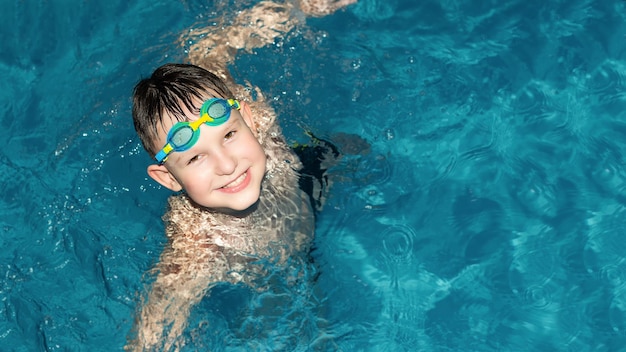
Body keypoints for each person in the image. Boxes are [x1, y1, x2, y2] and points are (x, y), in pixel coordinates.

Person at [125, 0, 357, 350]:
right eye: (195, 158)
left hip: (303, 176)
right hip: (272, 269)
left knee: (352, 148)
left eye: (230, 135)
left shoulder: (260, 122)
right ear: (169, 179)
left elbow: (211, 45)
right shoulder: (199, 246)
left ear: (248, 121)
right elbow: (153, 330)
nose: (227, 164)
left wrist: (305, 7)